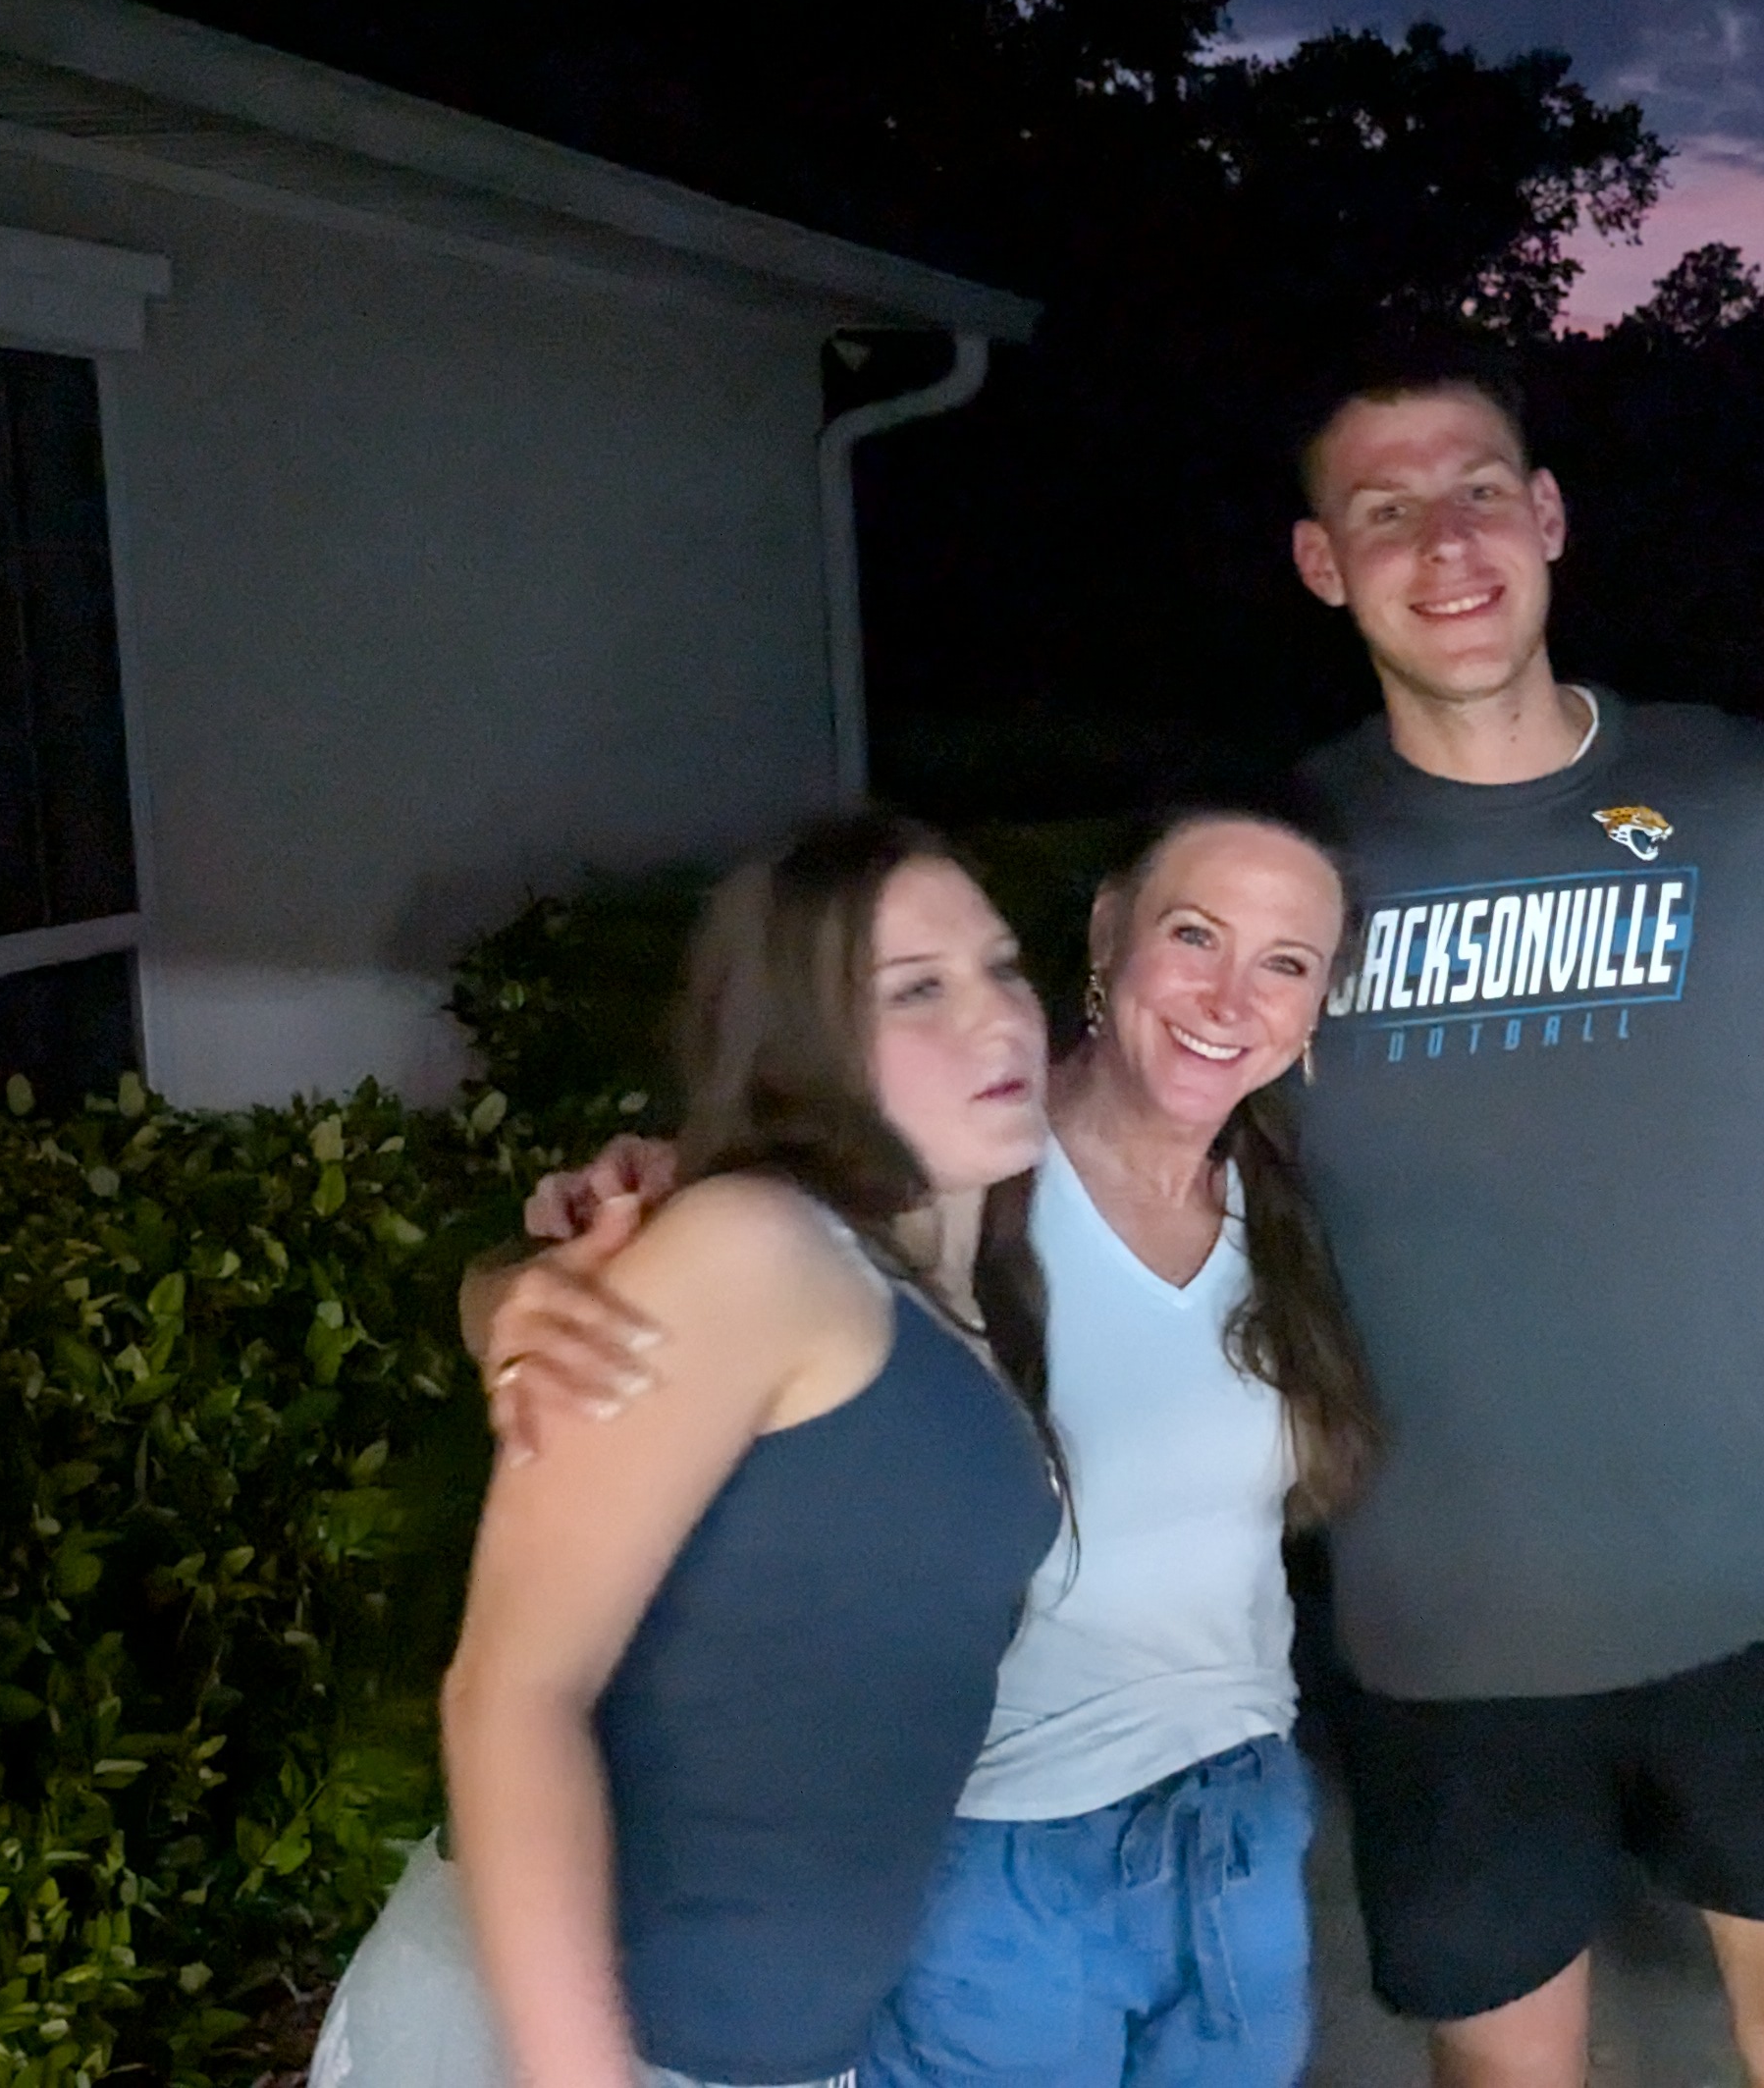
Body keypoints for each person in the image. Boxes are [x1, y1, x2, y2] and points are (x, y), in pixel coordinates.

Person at [1276, 352, 1764, 2088]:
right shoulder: (1283, 853)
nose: (1446, 544)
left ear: (1547, 517)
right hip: (1446, 1619)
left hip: (1758, 1588)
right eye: (1386, 510)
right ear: (1323, 564)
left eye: (1478, 491)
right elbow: (1138, 1145)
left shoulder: (1736, 796)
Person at [480, 811, 1382, 2087]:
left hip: (1231, 1815)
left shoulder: (1267, 1202)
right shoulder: (945, 1163)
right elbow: (670, 1272)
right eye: (1196, 936)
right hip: (1007, 1839)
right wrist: (514, 1303)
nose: (1232, 997)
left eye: (1287, 962)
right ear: (1109, 937)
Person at [323, 810, 1066, 2088]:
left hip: (765, 2051)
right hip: (571, 2043)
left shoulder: (949, 1295)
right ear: (801, 1046)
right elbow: (512, 1695)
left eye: (1000, 967)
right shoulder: (754, 1249)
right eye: (915, 991)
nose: (994, 1016)